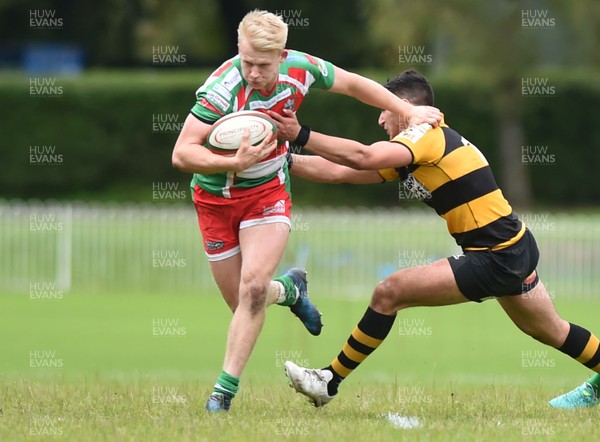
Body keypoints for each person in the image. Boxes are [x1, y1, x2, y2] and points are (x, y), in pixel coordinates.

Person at [270, 69, 600, 410]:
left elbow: (363, 156)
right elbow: (341, 172)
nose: (380, 118)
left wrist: (301, 133)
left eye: (383, 108)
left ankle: (328, 381)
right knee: (553, 331)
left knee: (389, 292)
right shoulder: (416, 148)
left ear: (404, 106)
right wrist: (284, 159)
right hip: (514, 247)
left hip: (495, 255)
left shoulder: (424, 136)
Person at [171, 10, 442, 413]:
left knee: (253, 290)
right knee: (243, 302)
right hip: (214, 200)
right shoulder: (221, 90)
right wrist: (231, 163)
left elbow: (353, 84)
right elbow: (182, 153)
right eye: (246, 62)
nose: (254, 73)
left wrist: (408, 111)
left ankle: (221, 395)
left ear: (282, 55)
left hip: (268, 192)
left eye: (263, 65)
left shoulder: (302, 69)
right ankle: (292, 290)